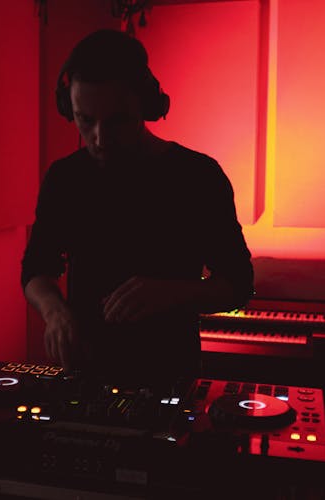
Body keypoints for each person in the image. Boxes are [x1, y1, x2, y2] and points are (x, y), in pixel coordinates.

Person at [21, 29, 253, 385]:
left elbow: (239, 284)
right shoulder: (64, 178)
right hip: (85, 374)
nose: (99, 137)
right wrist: (54, 312)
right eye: (85, 120)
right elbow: (36, 270)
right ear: (69, 108)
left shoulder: (198, 176)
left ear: (145, 105)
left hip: (169, 375)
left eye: (116, 120)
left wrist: (173, 291)